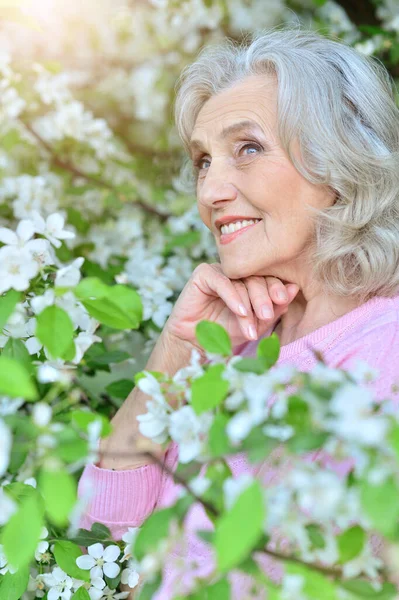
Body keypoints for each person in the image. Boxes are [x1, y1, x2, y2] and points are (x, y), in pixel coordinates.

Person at [77, 25, 399, 598]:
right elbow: (98, 543)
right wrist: (174, 353)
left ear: (341, 164)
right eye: (204, 161)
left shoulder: (387, 352)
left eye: (247, 148)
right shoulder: (234, 346)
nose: (210, 192)